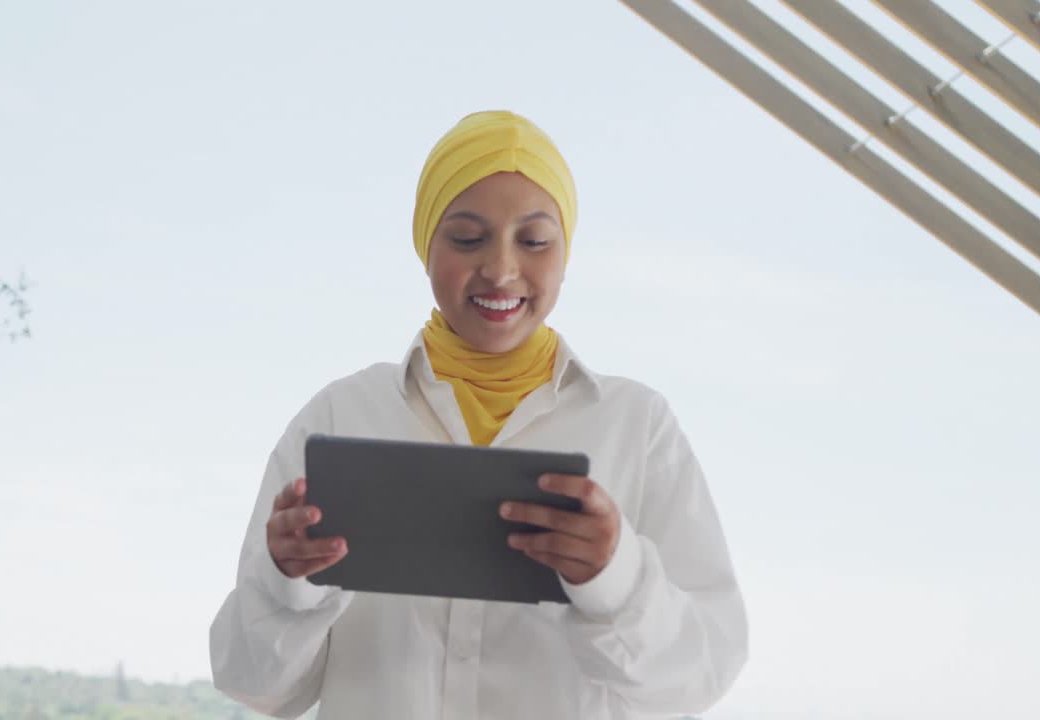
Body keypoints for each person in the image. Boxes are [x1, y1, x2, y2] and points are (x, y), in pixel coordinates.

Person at [210, 110, 747, 719]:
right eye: (467, 239)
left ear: (566, 253)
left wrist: (614, 578)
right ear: (425, 246)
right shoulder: (339, 415)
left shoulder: (638, 427)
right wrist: (287, 581)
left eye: (534, 241)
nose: (500, 269)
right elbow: (255, 685)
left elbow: (701, 678)